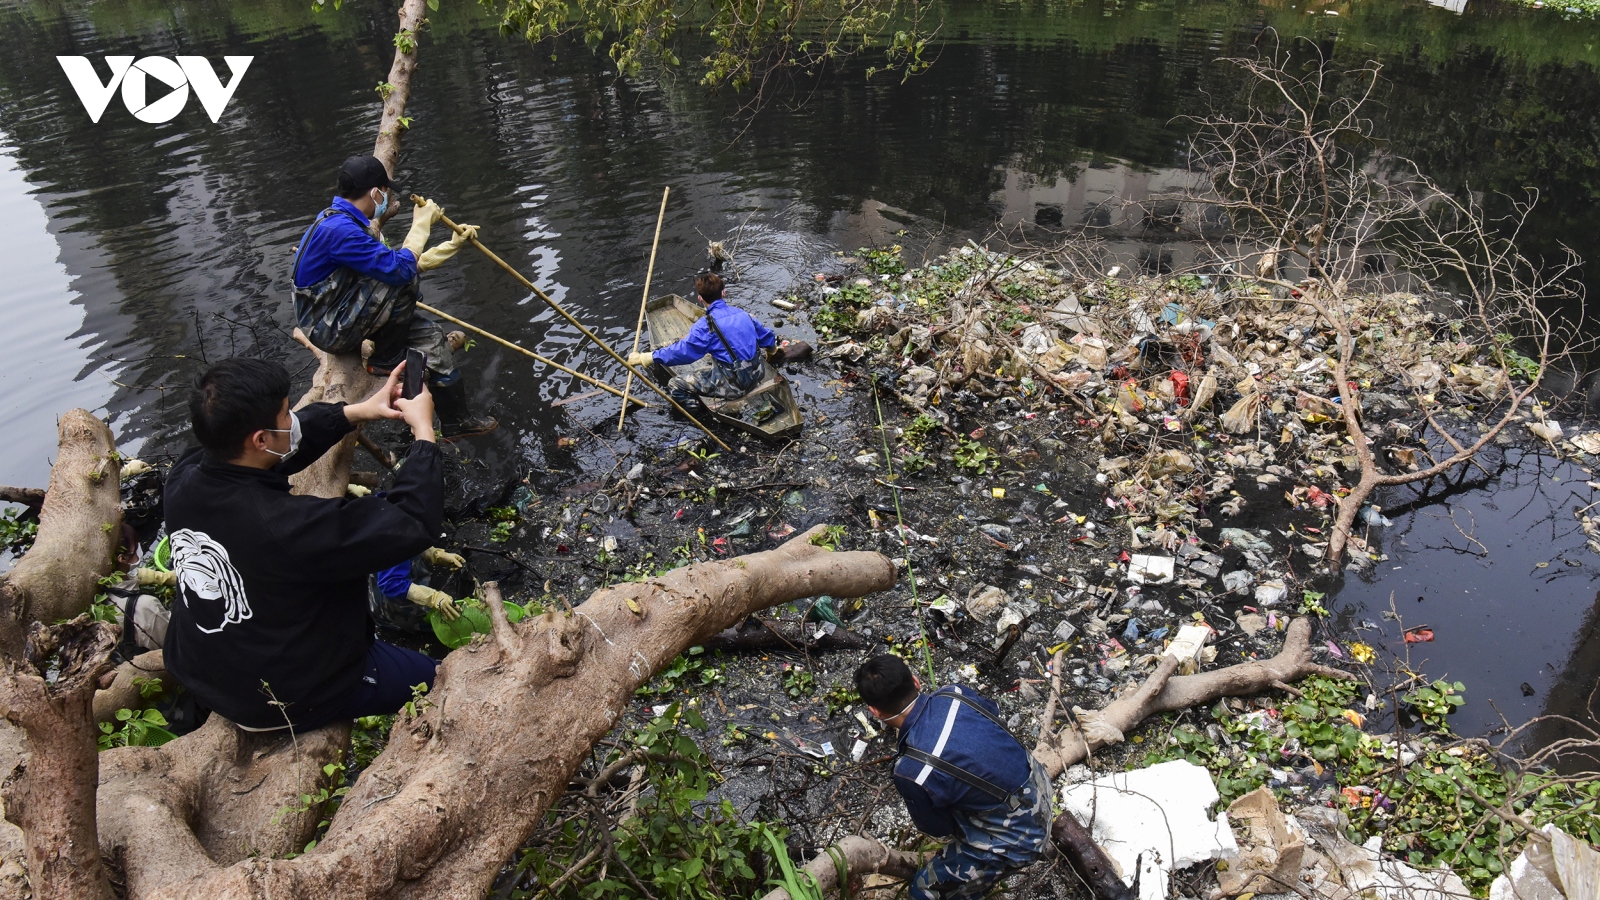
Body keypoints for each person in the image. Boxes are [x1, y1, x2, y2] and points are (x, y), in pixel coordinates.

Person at [163, 356, 461, 733]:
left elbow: (280, 449)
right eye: (287, 415)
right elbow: (411, 520)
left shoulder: (183, 479)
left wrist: (355, 412)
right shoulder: (285, 526)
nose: (293, 421)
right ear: (260, 439)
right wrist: (423, 434)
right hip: (285, 696)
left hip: (201, 668)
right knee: (443, 680)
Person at [291, 154, 497, 440]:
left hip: (342, 310)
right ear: (375, 193)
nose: (385, 198)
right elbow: (401, 271)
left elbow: (398, 266)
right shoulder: (339, 230)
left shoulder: (343, 222)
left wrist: (451, 246)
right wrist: (422, 223)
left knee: (432, 337)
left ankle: (455, 422)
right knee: (404, 276)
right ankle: (387, 358)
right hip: (327, 327)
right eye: (385, 192)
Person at [854, 655, 1053, 900]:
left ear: (874, 711)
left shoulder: (912, 771)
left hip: (1024, 836)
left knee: (924, 892)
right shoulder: (955, 693)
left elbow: (936, 828)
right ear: (916, 682)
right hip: (1041, 783)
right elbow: (992, 718)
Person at [626, 272, 777, 410]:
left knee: (676, 384)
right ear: (724, 293)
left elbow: (682, 352)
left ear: (700, 298)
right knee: (717, 355)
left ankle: (697, 410)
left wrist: (646, 357)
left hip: (735, 387)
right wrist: (772, 352)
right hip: (758, 375)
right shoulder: (744, 315)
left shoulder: (705, 327)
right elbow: (768, 338)